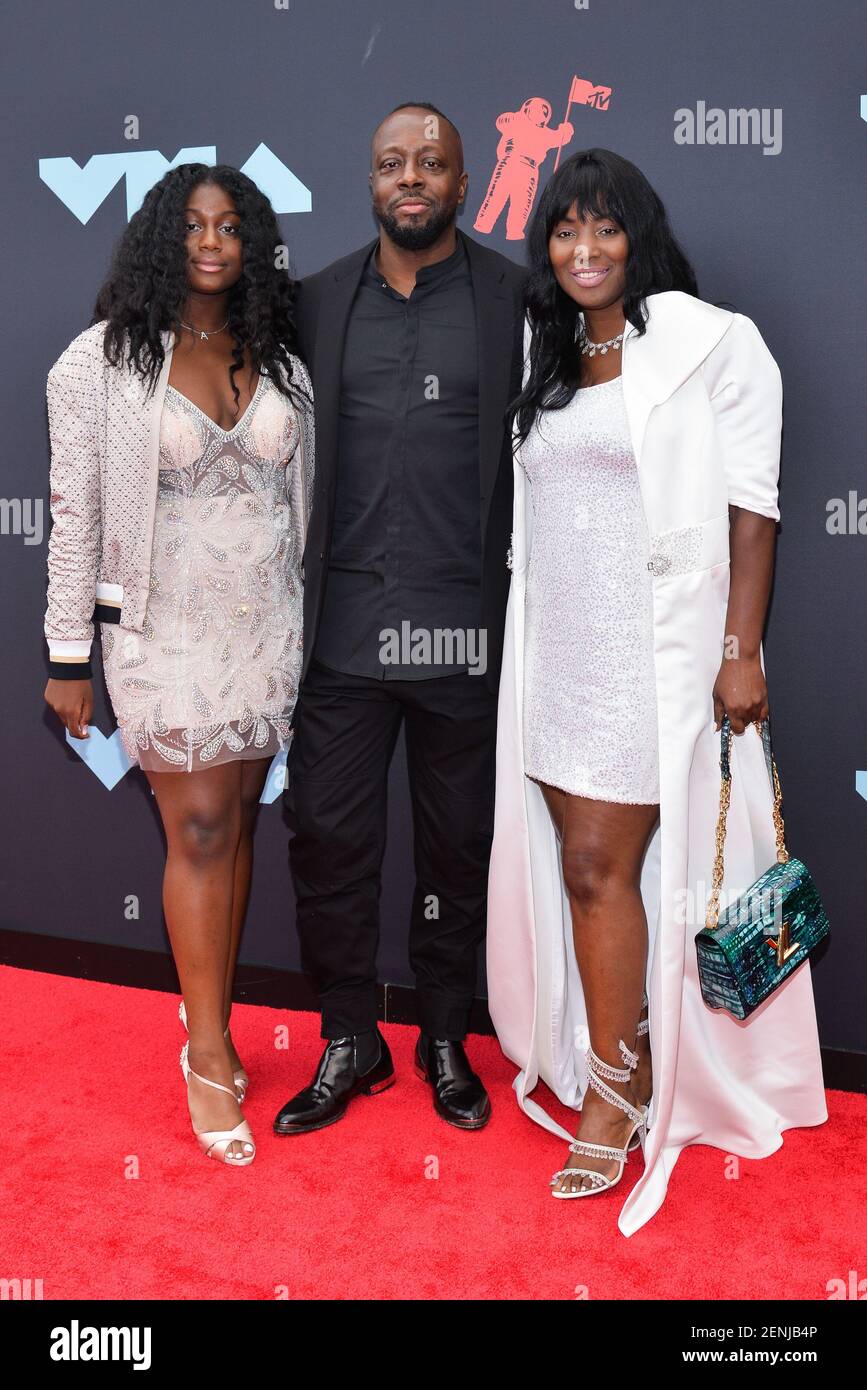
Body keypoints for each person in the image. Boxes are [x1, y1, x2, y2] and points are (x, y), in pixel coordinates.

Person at [486, 148, 827, 1234]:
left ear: (640, 235)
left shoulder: (712, 344)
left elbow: (753, 511)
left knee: (608, 865)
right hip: (558, 656)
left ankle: (620, 1084)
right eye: (564, 232)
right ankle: (611, 1061)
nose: (584, 251)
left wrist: (742, 649)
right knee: (586, 871)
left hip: (657, 652)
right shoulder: (543, 349)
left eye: (604, 229)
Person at [43, 164, 314, 1168]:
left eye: (231, 225)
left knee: (236, 824)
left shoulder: (279, 355)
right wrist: (68, 655)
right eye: (194, 225)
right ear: (164, 238)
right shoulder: (99, 363)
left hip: (266, 633)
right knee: (198, 823)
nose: (213, 240)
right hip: (163, 632)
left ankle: (220, 1013)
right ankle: (207, 1049)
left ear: (252, 245)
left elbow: (299, 503)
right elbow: (74, 518)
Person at [274, 103, 526, 1136]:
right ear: (369, 180)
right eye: (391, 163)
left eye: (432, 163)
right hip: (341, 631)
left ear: (465, 184)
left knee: (456, 846)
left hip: (464, 633)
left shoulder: (518, 298)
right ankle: (350, 1034)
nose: (410, 177)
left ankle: (442, 1034)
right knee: (328, 838)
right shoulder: (318, 300)